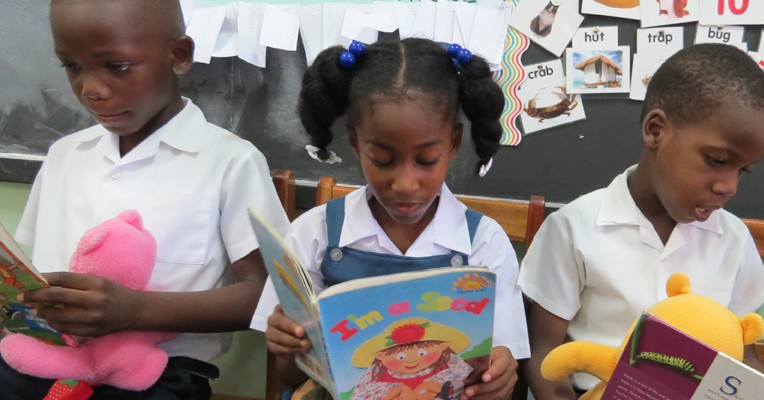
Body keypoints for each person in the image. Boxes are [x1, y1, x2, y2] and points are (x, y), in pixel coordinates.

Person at [1, 0, 291, 398]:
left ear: (178, 56)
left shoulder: (230, 162)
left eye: (116, 66)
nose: (91, 90)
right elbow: (35, 270)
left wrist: (135, 311)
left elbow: (267, 291)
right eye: (71, 66)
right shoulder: (65, 155)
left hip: (159, 374)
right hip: (48, 358)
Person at [252, 38, 529, 400]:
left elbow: (504, 369)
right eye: (382, 160)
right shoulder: (315, 233)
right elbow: (291, 376)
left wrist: (499, 376)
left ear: (454, 143)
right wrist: (286, 344)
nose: (405, 183)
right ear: (354, 141)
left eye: (427, 161)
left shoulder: (483, 241)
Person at [519, 43, 764, 399]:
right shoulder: (574, 227)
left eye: (744, 170)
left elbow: (743, 356)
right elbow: (544, 356)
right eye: (717, 160)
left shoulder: (733, 238)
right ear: (656, 131)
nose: (729, 187)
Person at [350, 318, 473, 399]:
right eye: (401, 357)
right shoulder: (376, 373)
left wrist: (435, 386)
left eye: (421, 353)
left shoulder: (449, 362)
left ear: (442, 347)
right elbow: (361, 394)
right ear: (381, 356)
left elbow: (463, 377)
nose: (411, 360)